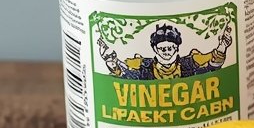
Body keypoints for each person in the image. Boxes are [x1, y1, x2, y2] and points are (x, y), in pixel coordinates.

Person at [98, 23, 232, 80]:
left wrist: (223, 47)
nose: (167, 52)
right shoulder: (144, 67)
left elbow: (212, 68)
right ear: (155, 49)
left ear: (177, 48)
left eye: (170, 48)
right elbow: (124, 74)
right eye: (162, 48)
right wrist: (110, 61)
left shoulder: (189, 64)